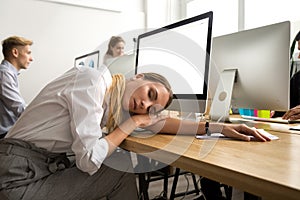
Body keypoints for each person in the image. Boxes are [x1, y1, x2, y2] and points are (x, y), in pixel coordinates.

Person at [0, 64, 270, 200]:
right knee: (115, 171)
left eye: (151, 106)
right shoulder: (93, 81)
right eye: (150, 94)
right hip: (16, 175)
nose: (145, 104)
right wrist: (131, 124)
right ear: (138, 76)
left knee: (115, 165)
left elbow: (162, 122)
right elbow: (88, 160)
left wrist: (222, 128)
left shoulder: (110, 101)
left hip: (27, 167)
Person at [0, 36, 33, 139]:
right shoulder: (4, 74)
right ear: (15, 52)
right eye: (28, 53)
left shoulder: (7, 73)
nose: (31, 58)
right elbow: (19, 108)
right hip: (4, 135)